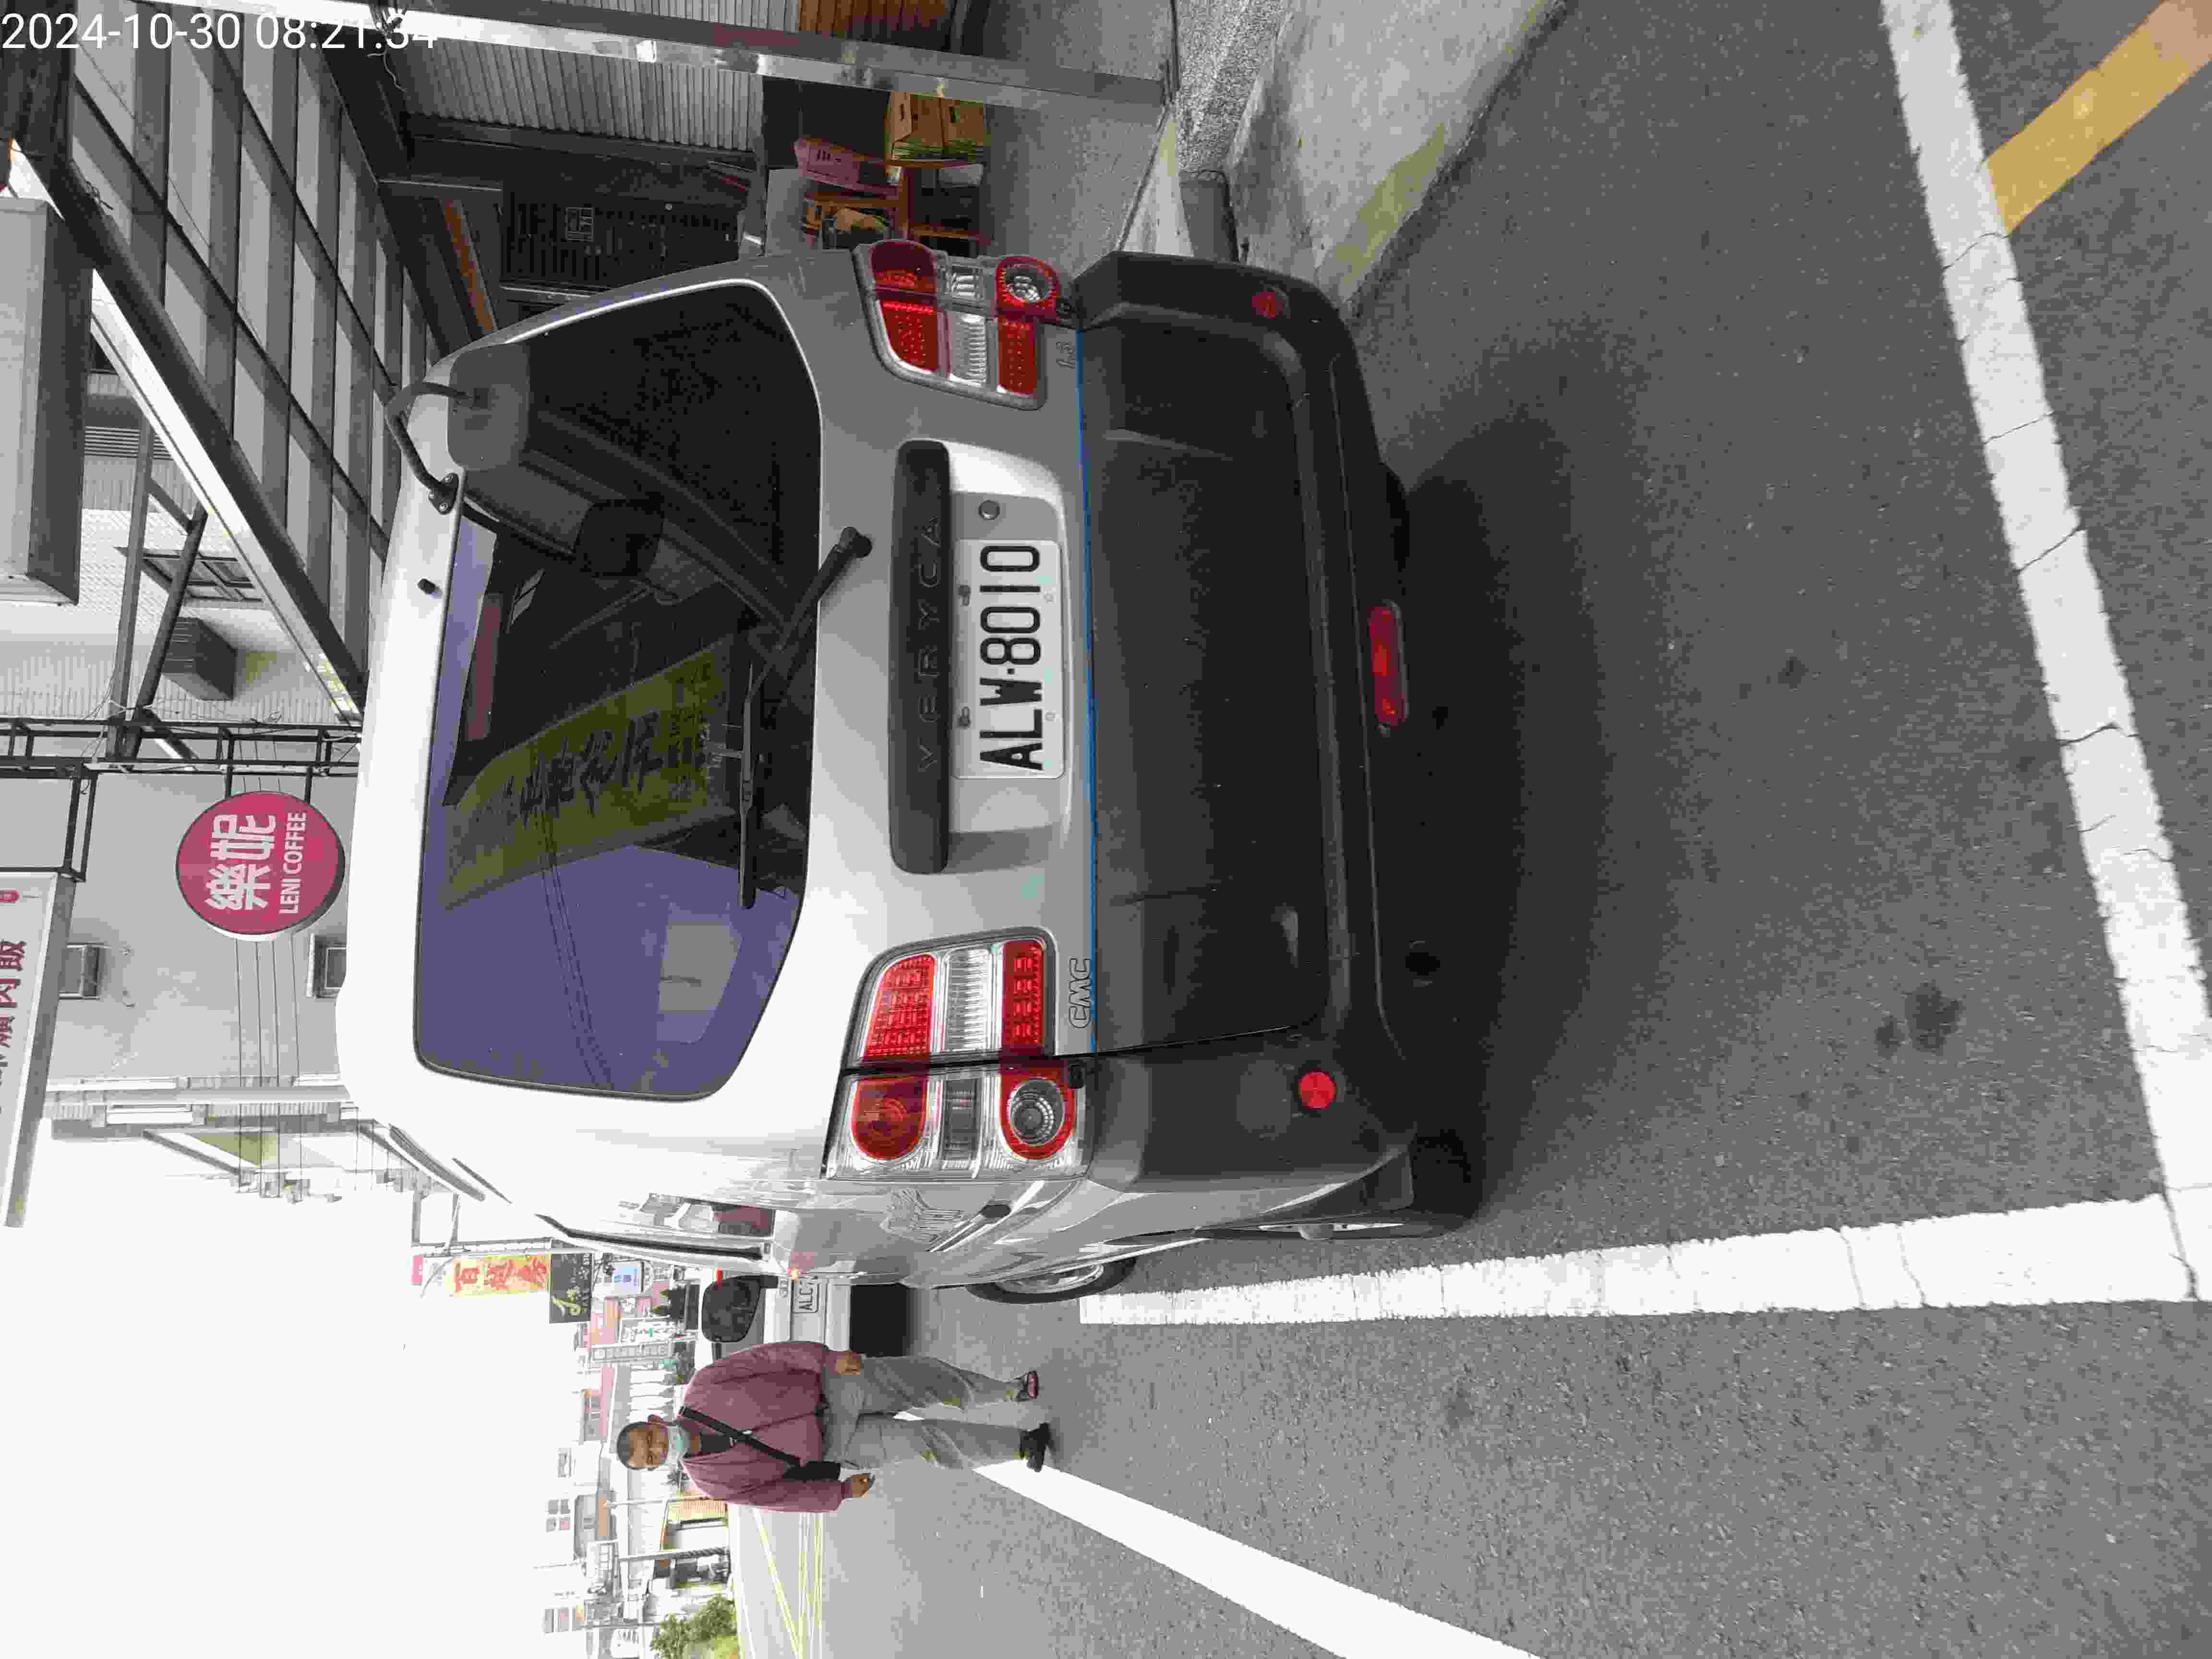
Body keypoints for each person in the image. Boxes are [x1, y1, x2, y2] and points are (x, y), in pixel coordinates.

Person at [613, 1341, 1051, 1513]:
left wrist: (825, 1359)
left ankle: (1009, 1391)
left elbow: (767, 1358)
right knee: (924, 1441)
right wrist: (838, 1493)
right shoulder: (712, 1484)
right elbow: (779, 1496)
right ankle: (1022, 1445)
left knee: (927, 1380)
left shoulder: (703, 1386)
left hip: (835, 1388)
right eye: (652, 1457)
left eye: (651, 1439)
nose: (659, 1448)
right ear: (655, 1467)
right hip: (839, 1446)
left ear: (655, 1422)